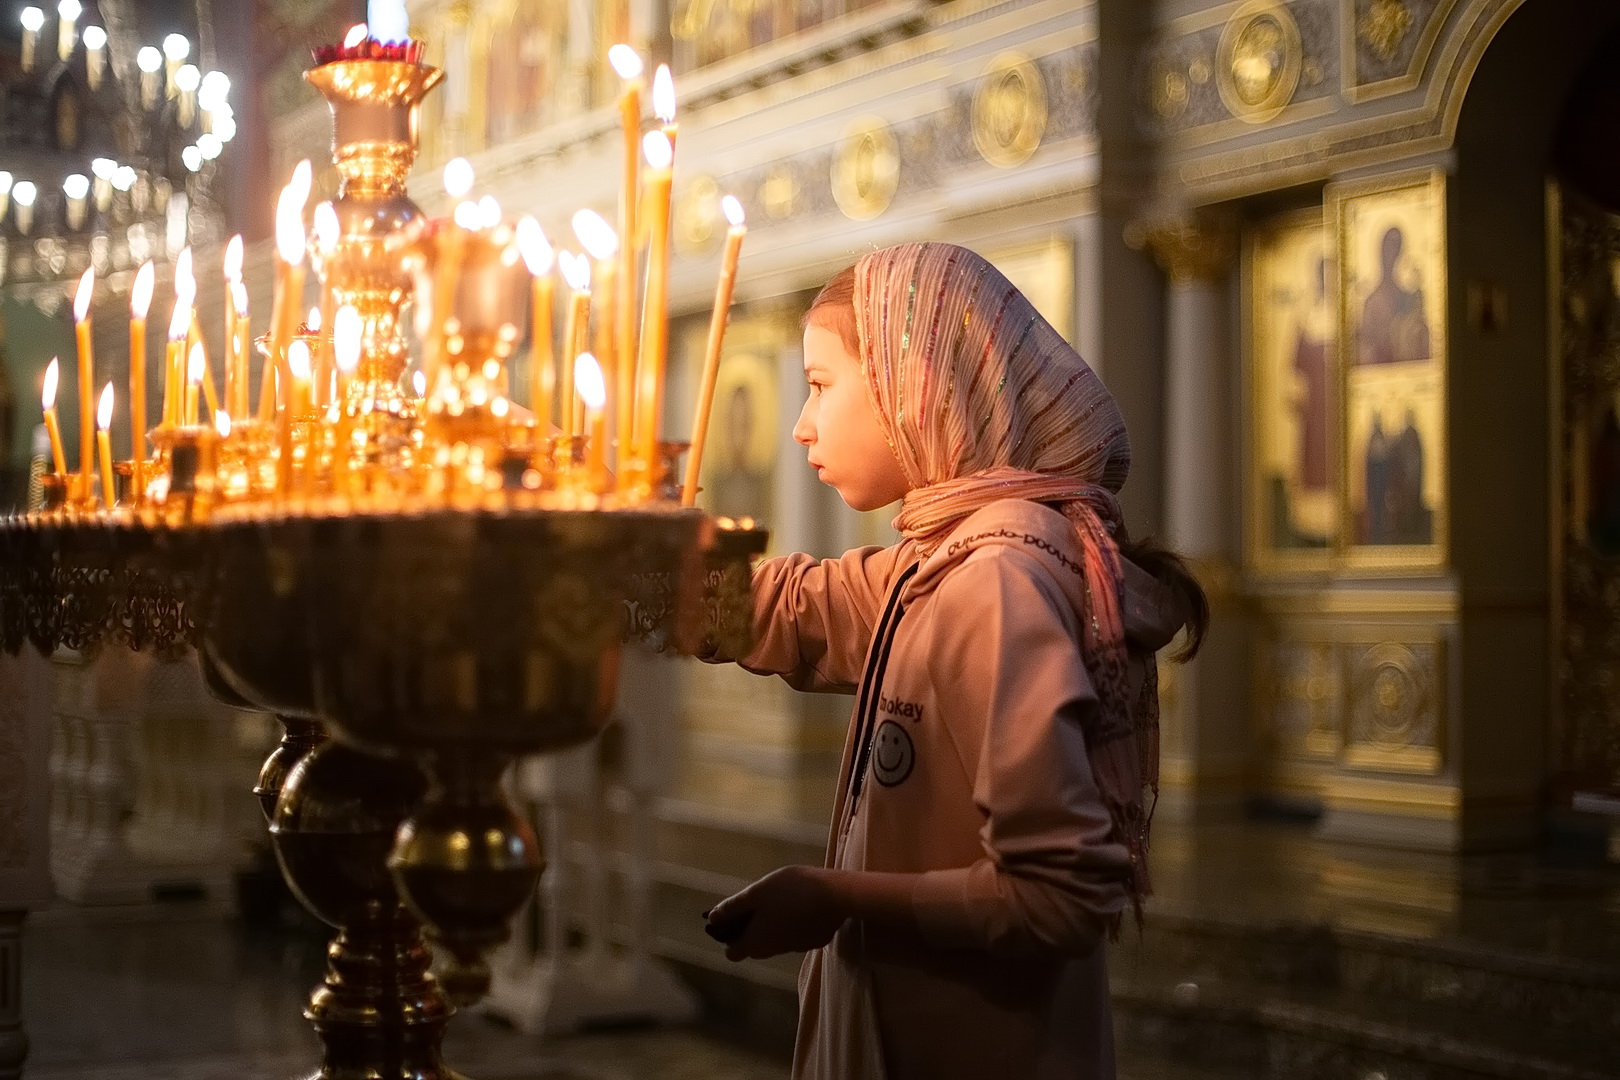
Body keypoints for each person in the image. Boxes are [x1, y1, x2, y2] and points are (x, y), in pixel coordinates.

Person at [700, 243, 1208, 1080]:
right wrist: (621, 563)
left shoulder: (995, 582)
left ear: (918, 387)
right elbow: (793, 610)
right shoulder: (947, 560)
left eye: (823, 384)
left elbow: (1058, 897)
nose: (801, 422)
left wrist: (831, 898)